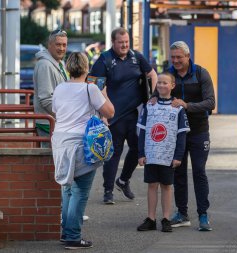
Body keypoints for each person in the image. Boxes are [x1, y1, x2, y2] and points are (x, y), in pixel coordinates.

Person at [51, 52, 114, 249]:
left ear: (68, 68)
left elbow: (55, 111)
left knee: (67, 189)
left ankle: (66, 232)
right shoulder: (91, 89)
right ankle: (73, 236)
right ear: (87, 69)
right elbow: (110, 112)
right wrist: (103, 93)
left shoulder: (59, 88)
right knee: (80, 191)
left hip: (60, 142)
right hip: (81, 143)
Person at [90, 27, 157, 204]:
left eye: (127, 42)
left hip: (135, 113)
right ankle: (108, 190)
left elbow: (152, 74)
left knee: (138, 149)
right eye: (121, 42)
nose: (125, 45)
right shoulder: (105, 59)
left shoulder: (136, 57)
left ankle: (123, 180)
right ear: (113, 42)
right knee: (114, 152)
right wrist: (103, 113)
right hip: (114, 115)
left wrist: (153, 97)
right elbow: (93, 85)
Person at [167, 41, 216, 231]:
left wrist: (187, 105)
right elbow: (159, 93)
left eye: (179, 57)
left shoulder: (201, 73)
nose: (176, 61)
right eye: (173, 57)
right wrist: (155, 97)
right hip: (177, 133)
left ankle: (203, 215)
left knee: (199, 172)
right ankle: (182, 213)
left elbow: (211, 103)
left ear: (188, 56)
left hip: (199, 131)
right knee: (178, 173)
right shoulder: (169, 74)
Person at [136, 72, 189, 232]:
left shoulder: (178, 108)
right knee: (152, 185)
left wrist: (178, 156)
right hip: (151, 154)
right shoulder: (149, 105)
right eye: (159, 82)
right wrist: (141, 153)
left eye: (165, 83)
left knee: (166, 186)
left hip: (168, 156)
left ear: (172, 86)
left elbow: (181, 134)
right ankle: (150, 219)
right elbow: (143, 131)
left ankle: (166, 218)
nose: (161, 85)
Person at [33, 29, 68, 148]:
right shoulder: (44, 65)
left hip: (57, 122)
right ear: (50, 45)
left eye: (64, 45)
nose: (62, 48)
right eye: (58, 44)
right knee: (51, 163)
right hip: (49, 124)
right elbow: (46, 99)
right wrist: (66, 116)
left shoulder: (59, 63)